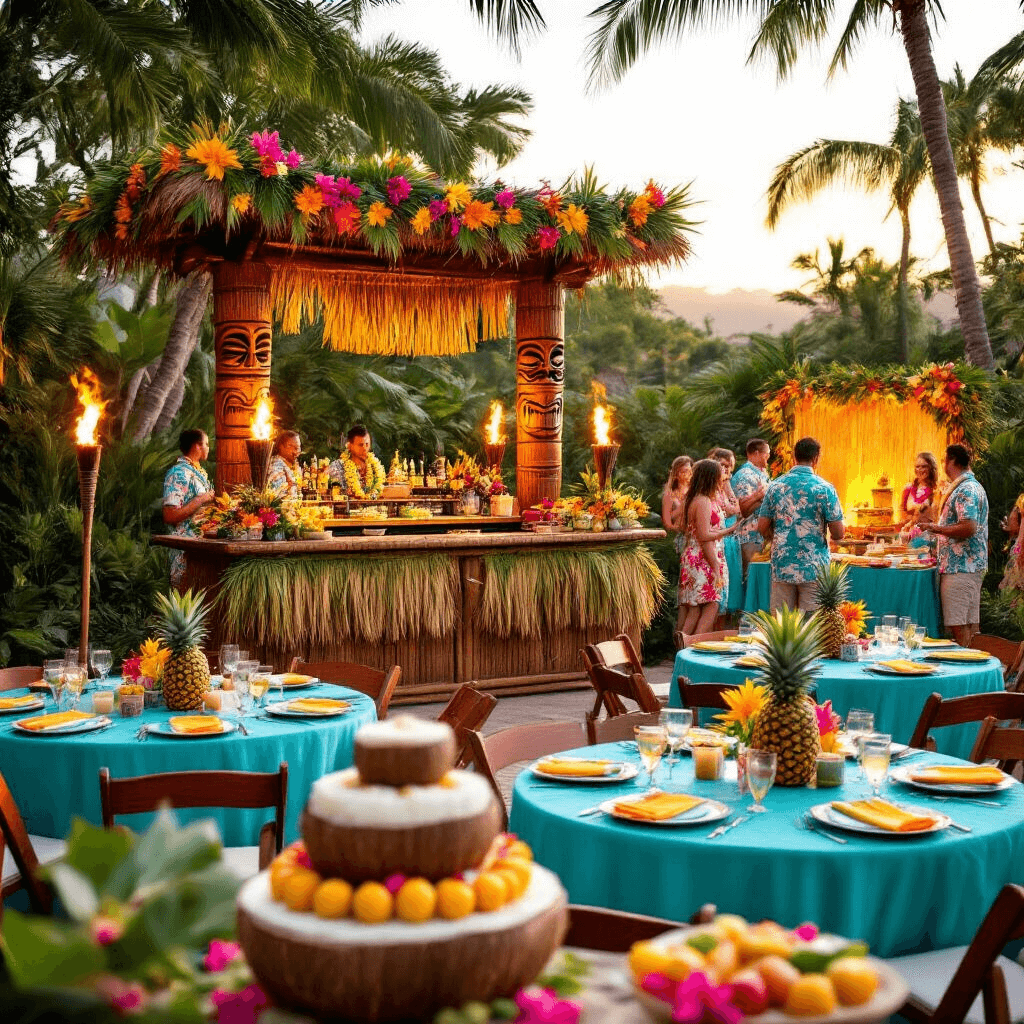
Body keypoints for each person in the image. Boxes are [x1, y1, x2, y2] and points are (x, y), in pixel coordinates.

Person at [757, 436, 844, 613]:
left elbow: (761, 527)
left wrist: (778, 538)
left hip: (782, 564)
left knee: (782, 627)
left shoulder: (775, 486)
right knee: (811, 627)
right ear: (816, 459)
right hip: (813, 566)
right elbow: (838, 533)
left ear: (794, 458)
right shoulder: (825, 489)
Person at [922, 444, 989, 646]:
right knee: (966, 625)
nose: (942, 465)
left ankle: (966, 667)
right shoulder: (966, 486)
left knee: (959, 625)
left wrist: (936, 528)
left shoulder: (967, 489)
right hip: (962, 566)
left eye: (943, 460)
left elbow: (968, 527)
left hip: (961, 567)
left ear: (951, 460)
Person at [677, 459, 736, 635]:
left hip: (702, 555)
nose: (723, 478)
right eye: (720, 475)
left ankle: (684, 652)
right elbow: (704, 536)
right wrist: (730, 530)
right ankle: (691, 651)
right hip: (703, 557)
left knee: (695, 609)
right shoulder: (702, 501)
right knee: (712, 604)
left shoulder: (700, 498)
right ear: (711, 477)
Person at [162, 428, 215, 588]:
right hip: (186, 550)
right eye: (206, 444)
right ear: (197, 446)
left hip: (203, 549)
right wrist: (200, 500)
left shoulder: (198, 472)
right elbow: (170, 516)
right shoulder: (179, 473)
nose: (208, 448)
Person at [731, 438, 771, 573]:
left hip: (759, 537)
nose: (769, 457)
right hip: (748, 536)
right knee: (750, 577)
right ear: (756, 453)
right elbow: (743, 510)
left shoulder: (761, 473)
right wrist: (762, 498)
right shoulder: (745, 475)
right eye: (767, 453)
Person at [327, 424, 386, 499]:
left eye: (367, 444)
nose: (365, 448)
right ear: (349, 445)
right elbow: (333, 493)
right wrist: (345, 492)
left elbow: (381, 489)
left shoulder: (375, 466)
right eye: (360, 445)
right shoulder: (337, 466)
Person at [899, 451, 939, 528]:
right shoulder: (908, 488)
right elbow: (902, 511)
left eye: (924, 466)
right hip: (909, 530)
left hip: (929, 532)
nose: (920, 470)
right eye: (917, 466)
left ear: (931, 468)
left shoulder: (937, 490)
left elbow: (937, 516)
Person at [661, 455, 693, 550]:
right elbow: (667, 523)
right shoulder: (670, 495)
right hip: (682, 537)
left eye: (690, 471)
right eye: (684, 471)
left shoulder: (694, 491)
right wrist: (681, 508)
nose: (688, 474)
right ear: (675, 475)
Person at [268, 430, 302, 500]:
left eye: (298, 448)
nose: (296, 452)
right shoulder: (276, 465)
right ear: (281, 447)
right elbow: (278, 497)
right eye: (292, 447)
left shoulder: (288, 464)